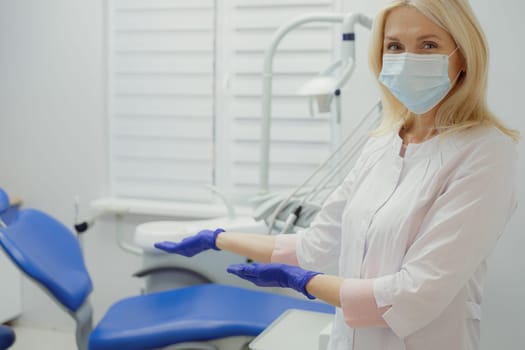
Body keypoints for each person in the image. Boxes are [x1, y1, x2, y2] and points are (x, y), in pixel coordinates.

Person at [154, 0, 519, 349]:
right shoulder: (382, 144)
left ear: (463, 56)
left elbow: (417, 290)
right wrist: (219, 239)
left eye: (428, 44)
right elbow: (316, 245)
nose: (408, 59)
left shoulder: (486, 151)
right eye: (394, 46)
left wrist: (305, 283)